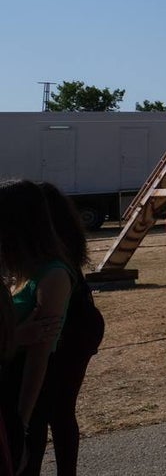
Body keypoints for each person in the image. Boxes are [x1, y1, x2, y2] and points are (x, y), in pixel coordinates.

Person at [27, 184, 104, 476]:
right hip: (80, 327)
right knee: (61, 412)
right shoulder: (64, 241)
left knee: (47, 410)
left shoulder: (52, 255)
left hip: (72, 331)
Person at [0, 180, 75, 472]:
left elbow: (38, 358)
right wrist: (16, 337)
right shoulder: (15, 269)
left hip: (18, 394)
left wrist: (22, 422)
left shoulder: (52, 276)